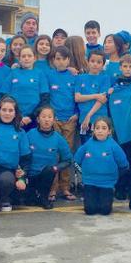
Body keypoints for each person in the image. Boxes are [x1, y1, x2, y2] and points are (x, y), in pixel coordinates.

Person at [43, 45, 79, 201]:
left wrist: (77, 114)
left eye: (64, 59)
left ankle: (65, 187)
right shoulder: (48, 75)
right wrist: (51, 117)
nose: (61, 62)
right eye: (58, 58)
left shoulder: (74, 77)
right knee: (54, 154)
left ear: (68, 60)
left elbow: (78, 98)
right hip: (55, 120)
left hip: (70, 120)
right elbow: (45, 97)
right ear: (53, 60)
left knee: (67, 154)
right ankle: (52, 188)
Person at [74, 117, 129, 215]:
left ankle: (106, 197)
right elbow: (75, 161)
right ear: (93, 130)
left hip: (107, 183)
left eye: (104, 128)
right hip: (89, 182)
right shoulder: (87, 145)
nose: (100, 131)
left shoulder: (113, 146)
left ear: (109, 131)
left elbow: (124, 165)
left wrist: (115, 177)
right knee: (90, 210)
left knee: (105, 211)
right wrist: (84, 173)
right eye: (97, 128)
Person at [26, 107, 73, 209]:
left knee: (49, 170)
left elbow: (68, 160)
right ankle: (33, 196)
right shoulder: (30, 134)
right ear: (38, 119)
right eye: (43, 117)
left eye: (49, 117)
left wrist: (56, 168)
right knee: (26, 201)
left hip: (46, 175)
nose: (46, 120)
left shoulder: (58, 138)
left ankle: (43, 197)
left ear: (54, 120)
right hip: (29, 175)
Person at [108, 54, 131, 200]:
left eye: (130, 66)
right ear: (120, 68)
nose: (127, 69)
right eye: (125, 66)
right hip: (117, 130)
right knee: (119, 160)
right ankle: (119, 187)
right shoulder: (114, 87)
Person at [0, 45, 49, 130]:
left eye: (29, 56)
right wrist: (15, 115)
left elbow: (44, 99)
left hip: (33, 119)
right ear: (19, 59)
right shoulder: (13, 73)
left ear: (35, 58)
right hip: (14, 118)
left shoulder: (40, 74)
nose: (26, 58)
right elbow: (4, 95)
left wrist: (31, 116)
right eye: (23, 56)